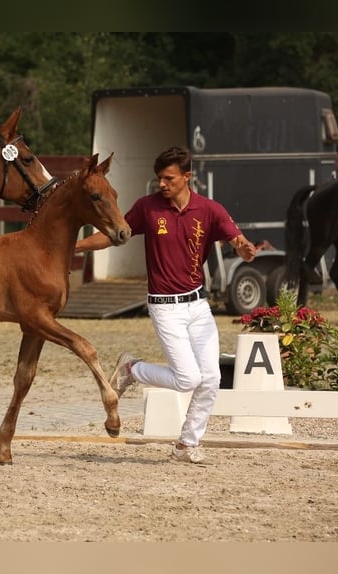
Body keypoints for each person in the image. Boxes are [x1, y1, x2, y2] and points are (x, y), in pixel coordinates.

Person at [75, 146, 256, 464]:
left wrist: (244, 248)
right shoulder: (147, 208)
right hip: (164, 307)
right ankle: (133, 368)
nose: (162, 183)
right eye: (159, 178)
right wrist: (74, 247)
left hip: (198, 306)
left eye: (168, 178)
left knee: (211, 378)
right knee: (188, 378)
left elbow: (236, 238)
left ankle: (187, 445)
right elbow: (114, 235)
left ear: (187, 177)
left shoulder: (209, 209)